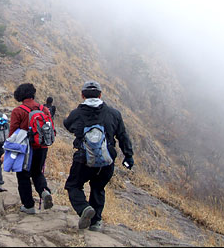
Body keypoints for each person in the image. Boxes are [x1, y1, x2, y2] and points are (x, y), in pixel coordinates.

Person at [63, 81, 134, 231]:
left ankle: (83, 208)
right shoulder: (114, 114)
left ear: (82, 95)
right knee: (98, 188)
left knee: (73, 185)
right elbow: (122, 135)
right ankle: (95, 222)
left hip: (83, 160)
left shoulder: (77, 113)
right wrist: (128, 155)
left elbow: (68, 125)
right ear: (100, 95)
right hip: (106, 161)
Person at [9, 83, 54, 214]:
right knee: (37, 172)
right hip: (42, 146)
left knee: (23, 175)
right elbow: (50, 129)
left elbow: (12, 133)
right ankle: (44, 192)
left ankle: (28, 206)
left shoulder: (18, 111)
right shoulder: (44, 109)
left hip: (25, 147)